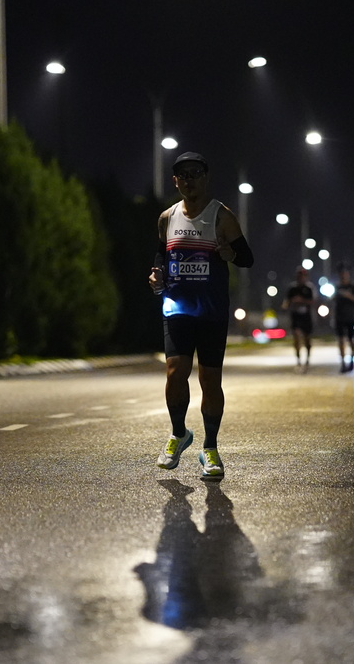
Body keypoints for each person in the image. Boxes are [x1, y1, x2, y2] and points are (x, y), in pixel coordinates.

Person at [148, 152, 254, 481]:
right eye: (183, 175)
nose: (189, 180)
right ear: (175, 181)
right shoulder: (167, 218)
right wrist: (156, 276)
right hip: (176, 309)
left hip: (211, 311)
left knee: (210, 381)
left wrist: (230, 253)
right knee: (174, 372)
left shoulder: (221, 215)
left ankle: (210, 448)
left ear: (206, 178)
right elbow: (161, 256)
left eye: (195, 173)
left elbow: (247, 258)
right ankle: (179, 433)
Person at [283, 266, 315, 372]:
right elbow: (286, 301)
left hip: (306, 316)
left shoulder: (309, 288)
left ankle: (307, 360)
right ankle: (298, 360)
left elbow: (313, 301)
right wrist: (287, 304)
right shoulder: (292, 288)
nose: (301, 278)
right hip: (296, 315)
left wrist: (302, 300)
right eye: (300, 275)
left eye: (303, 275)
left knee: (307, 338)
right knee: (296, 336)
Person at [333, 265, 354, 373]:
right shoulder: (337, 287)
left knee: (351, 339)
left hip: (350, 317)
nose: (343, 276)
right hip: (339, 316)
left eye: (345, 274)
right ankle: (343, 363)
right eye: (342, 274)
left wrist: (348, 296)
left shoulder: (353, 287)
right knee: (341, 340)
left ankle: (352, 360)